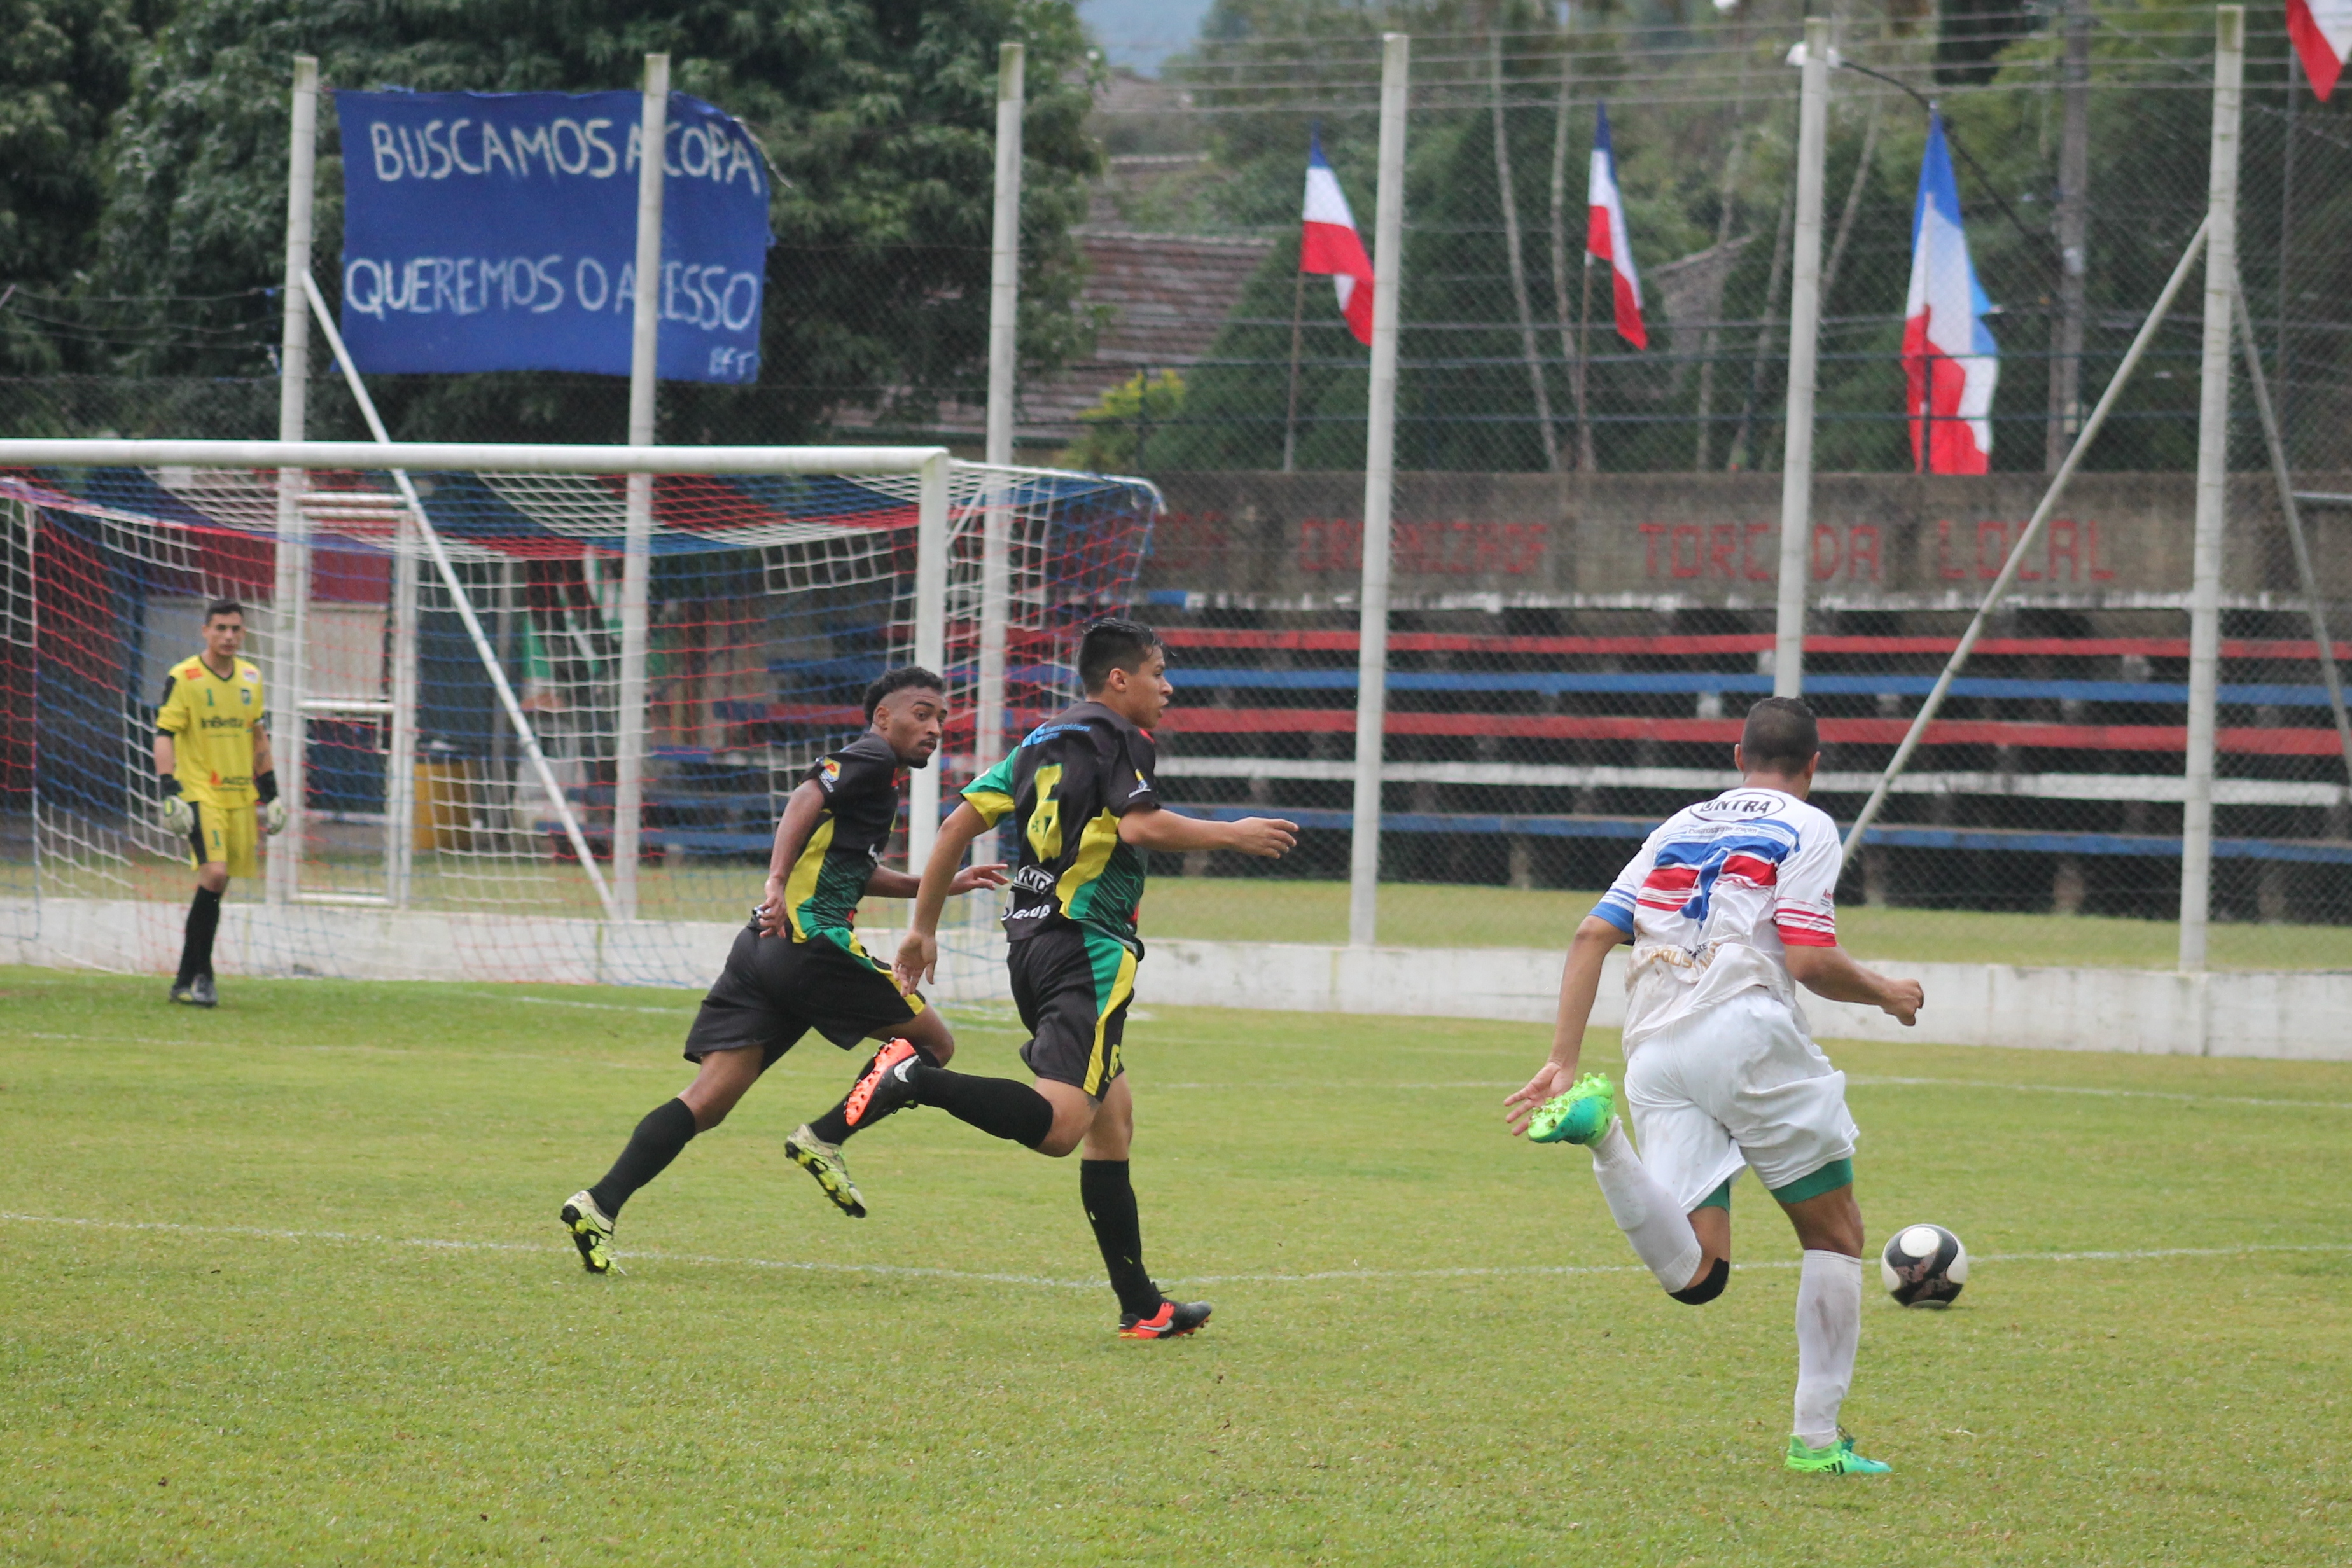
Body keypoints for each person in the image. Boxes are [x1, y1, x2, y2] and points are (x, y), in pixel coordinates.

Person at [1503, 696, 1924, 1476]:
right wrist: (1888, 992)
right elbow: (1809, 960)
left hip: (1653, 1042)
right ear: (1814, 764)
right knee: (1834, 1234)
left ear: (1738, 757)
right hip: (1742, 1031)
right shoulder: (1808, 825)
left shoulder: (1678, 824)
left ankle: (1603, 1138)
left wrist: (1563, 1058)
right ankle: (1816, 1441)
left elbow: (1592, 933)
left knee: (1696, 1271)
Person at [877, 618, 1296, 1340]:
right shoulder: (1121, 735)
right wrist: (1233, 832)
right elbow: (1139, 827)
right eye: (1158, 672)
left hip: (1031, 946)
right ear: (1118, 679)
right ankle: (914, 1077)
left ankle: (1142, 1305)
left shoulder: (1038, 741)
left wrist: (922, 928)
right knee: (1061, 1127)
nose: (1168, 687)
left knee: (1112, 1117)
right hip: (1088, 945)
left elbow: (952, 830)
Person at [559, 667, 1006, 1273]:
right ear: (883, 718)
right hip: (812, 944)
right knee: (933, 1043)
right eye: (922, 714)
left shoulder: (877, 781)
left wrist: (940, 884)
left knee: (707, 1101)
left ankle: (598, 1203)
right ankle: (826, 1135)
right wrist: (774, 879)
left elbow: (855, 870)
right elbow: (806, 795)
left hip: (762, 948)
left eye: (941, 719)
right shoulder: (873, 755)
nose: (934, 728)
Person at [154, 599, 287, 1007]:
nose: (229, 636)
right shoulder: (185, 677)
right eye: (221, 629)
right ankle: (204, 975)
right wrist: (169, 789)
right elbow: (164, 734)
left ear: (243, 633)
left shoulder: (251, 677)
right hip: (200, 792)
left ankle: (184, 979)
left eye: (235, 629)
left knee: (216, 885)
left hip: (239, 794)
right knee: (215, 873)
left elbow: (258, 738)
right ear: (205, 631)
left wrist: (272, 794)